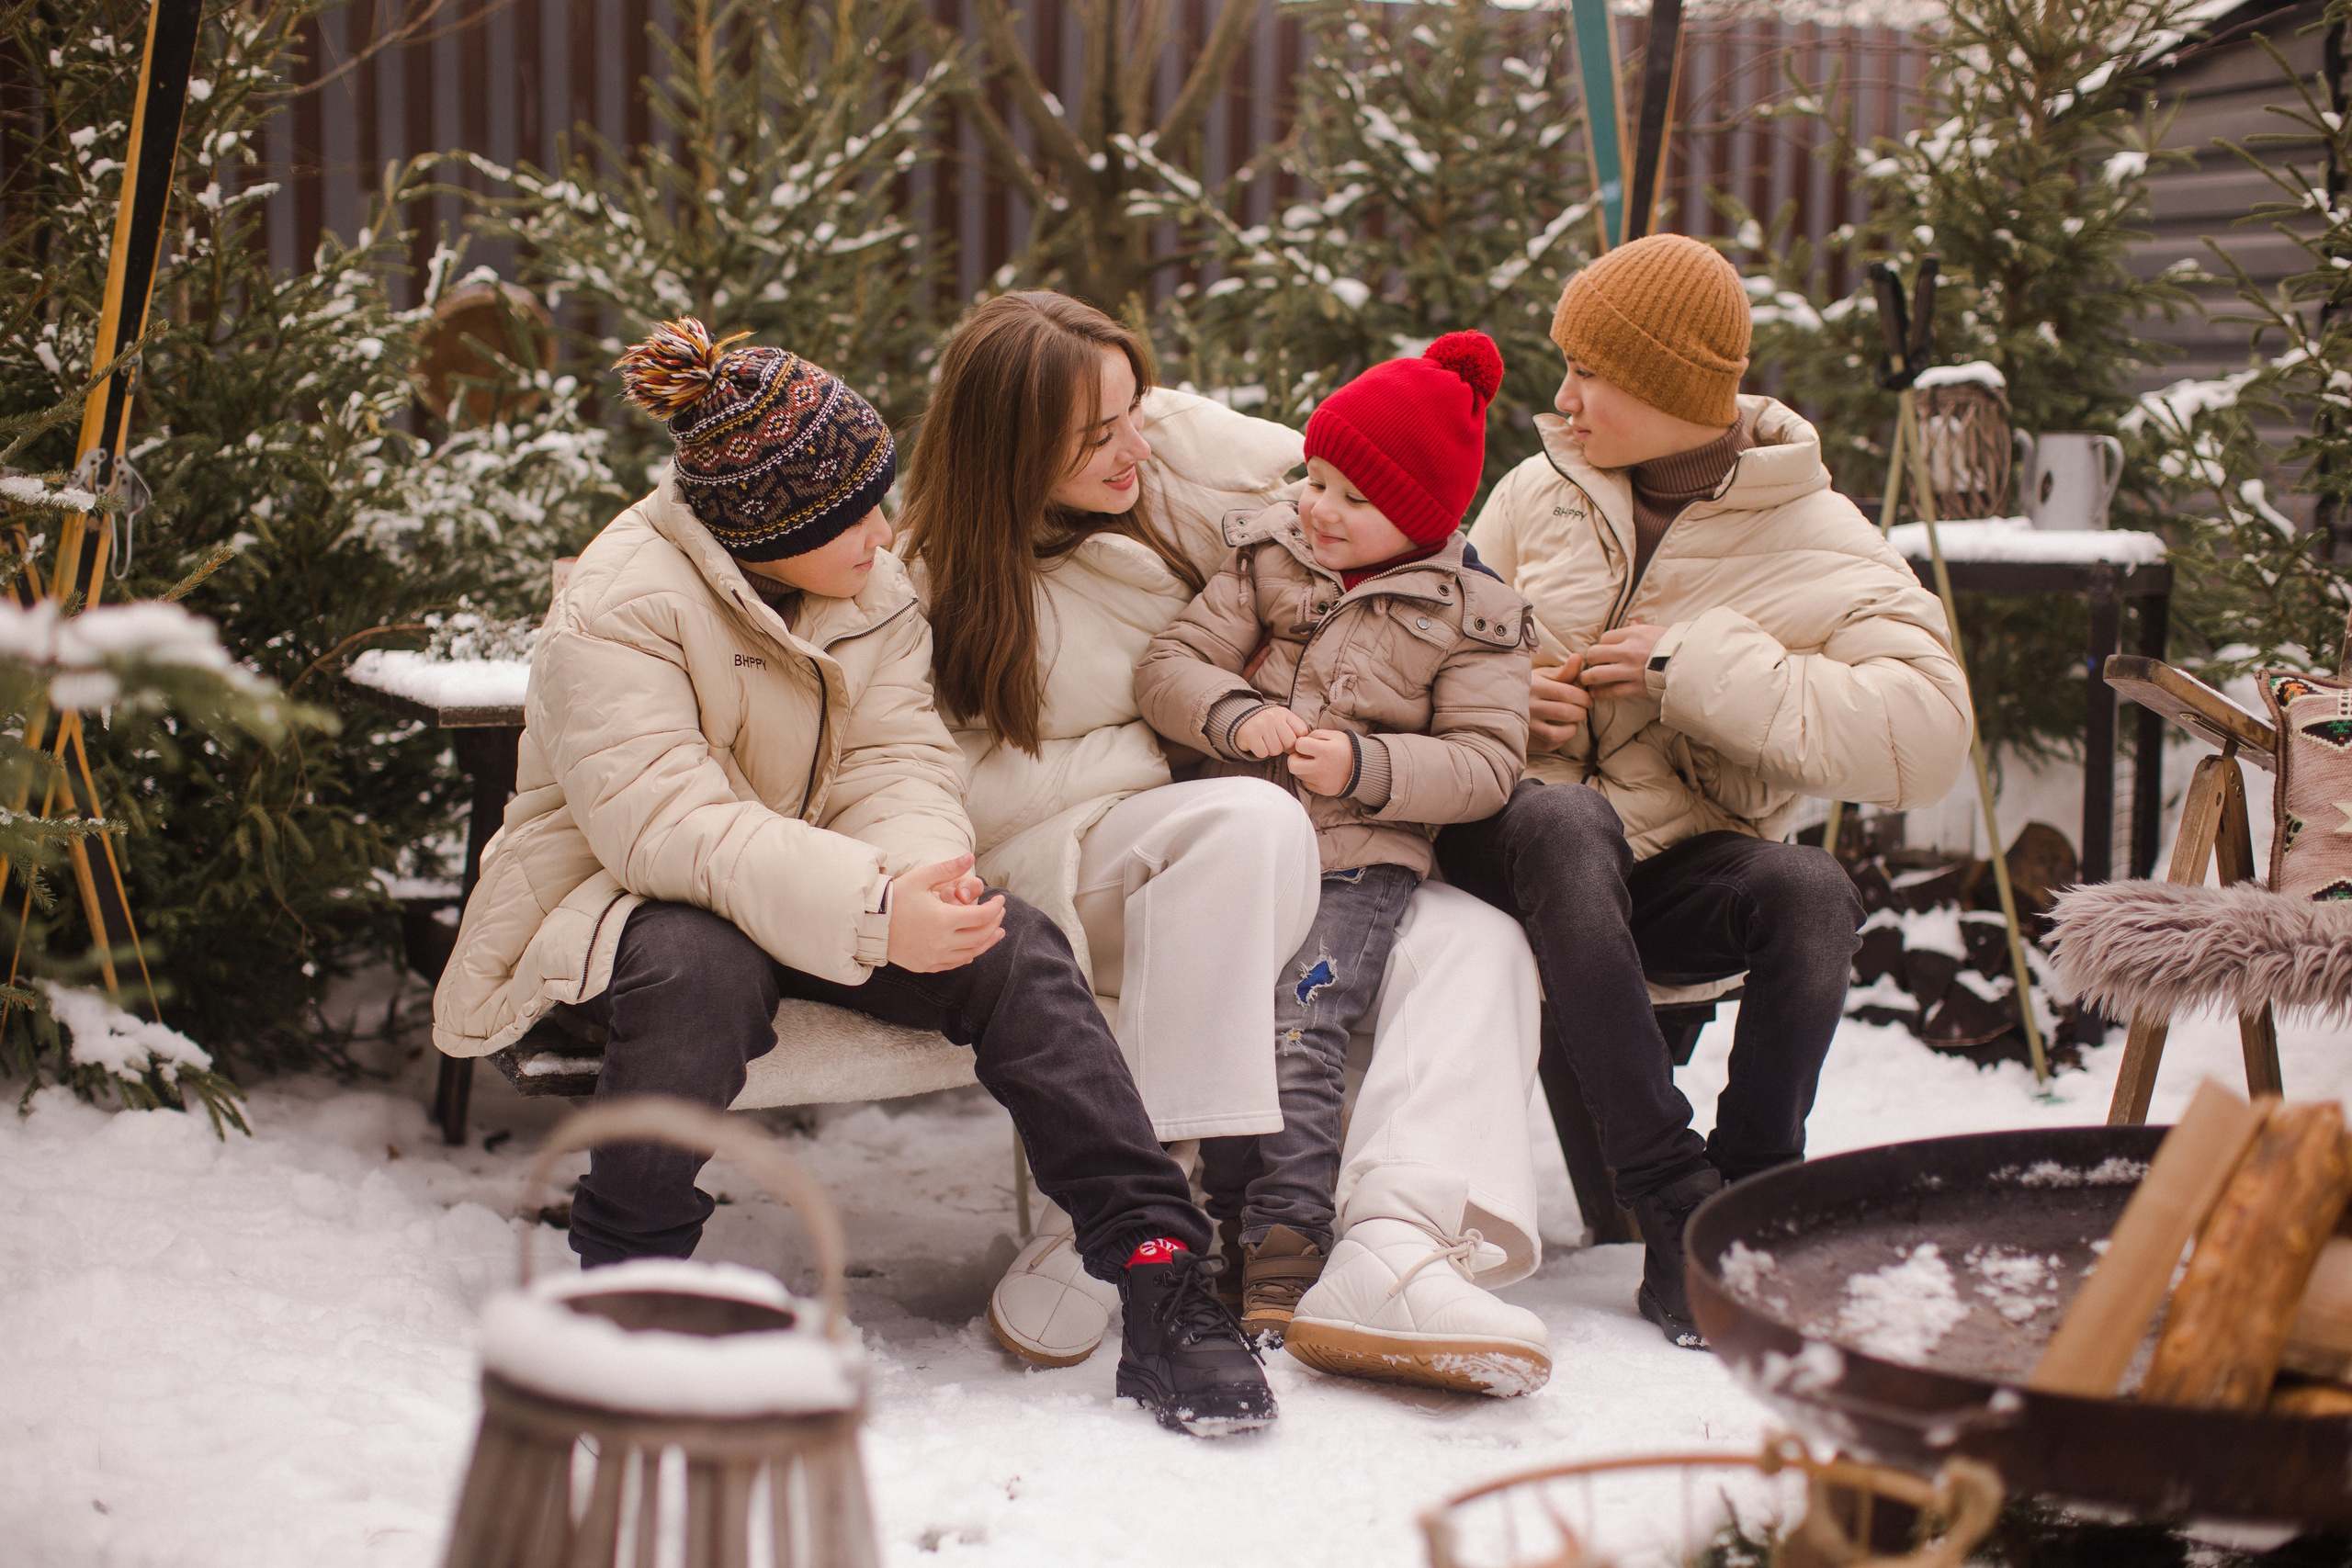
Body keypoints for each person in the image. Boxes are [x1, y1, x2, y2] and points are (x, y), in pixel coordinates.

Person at [431, 319, 1274, 1438]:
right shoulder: (617, 607)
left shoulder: (866, 587)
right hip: (619, 903)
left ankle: (1161, 1274)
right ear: (768, 530)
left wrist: (925, 882)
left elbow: (899, 760)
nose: (886, 534)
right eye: (855, 517)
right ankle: (620, 1289)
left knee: (1009, 945)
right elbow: (668, 829)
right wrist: (877, 913)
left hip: (824, 890)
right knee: (702, 962)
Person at [901, 291, 1553, 1396]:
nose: (1133, 448)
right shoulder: (925, 576)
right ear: (1010, 446)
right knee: (1240, 823)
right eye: (1096, 434)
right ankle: (1136, 1204)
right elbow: (932, 779)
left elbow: (1386, 487)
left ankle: (1393, 1239)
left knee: (1476, 940)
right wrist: (1181, 755)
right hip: (1083, 859)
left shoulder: (1184, 477)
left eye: (1135, 411)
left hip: (1290, 833)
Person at [1440, 234, 1973, 1348]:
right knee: (1566, 817)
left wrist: (1696, 668)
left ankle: (1752, 1193)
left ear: (1678, 388)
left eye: (1593, 373)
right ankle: (1670, 1191)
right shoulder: (1535, 494)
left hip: (1671, 871)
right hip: (1511, 854)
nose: (1564, 398)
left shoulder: (1822, 539)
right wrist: (1504, 691)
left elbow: (1928, 737)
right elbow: (1414, 634)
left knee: (1810, 890)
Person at [1132, 333, 1532, 1354]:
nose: (1319, 508)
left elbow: (1487, 766)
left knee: (1301, 1031)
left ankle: (1286, 1247)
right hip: (1240, 847)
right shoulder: (1270, 557)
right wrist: (1228, 715)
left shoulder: (1474, 618)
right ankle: (1218, 1222)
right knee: (1228, 1018)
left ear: (1422, 517)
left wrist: (1367, 766)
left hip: (1360, 857)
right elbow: (1170, 664)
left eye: (1353, 498)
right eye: (1315, 478)